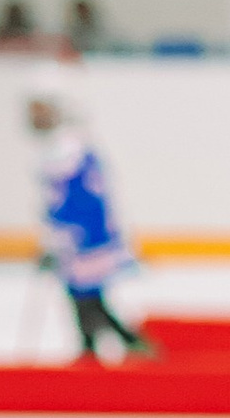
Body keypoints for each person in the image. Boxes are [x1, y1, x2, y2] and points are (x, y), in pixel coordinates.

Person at [23, 93, 151, 361]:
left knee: (85, 293)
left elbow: (79, 200)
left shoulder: (67, 151)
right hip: (77, 235)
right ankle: (101, 342)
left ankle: (107, 343)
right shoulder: (61, 148)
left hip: (85, 237)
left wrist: (62, 236)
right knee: (83, 293)